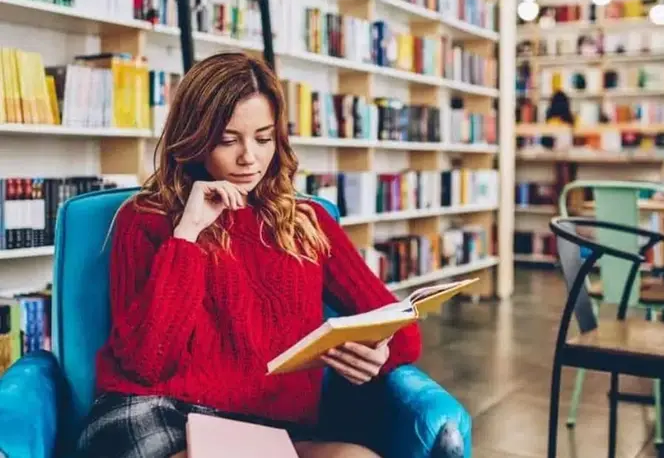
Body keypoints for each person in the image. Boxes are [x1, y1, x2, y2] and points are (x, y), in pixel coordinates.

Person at [76, 52, 423, 458]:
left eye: (263, 138)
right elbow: (145, 362)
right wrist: (187, 234)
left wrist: (379, 353)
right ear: (194, 138)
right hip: (156, 410)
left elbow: (402, 326)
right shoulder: (145, 219)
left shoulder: (307, 222)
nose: (249, 158)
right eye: (227, 140)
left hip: (269, 427)